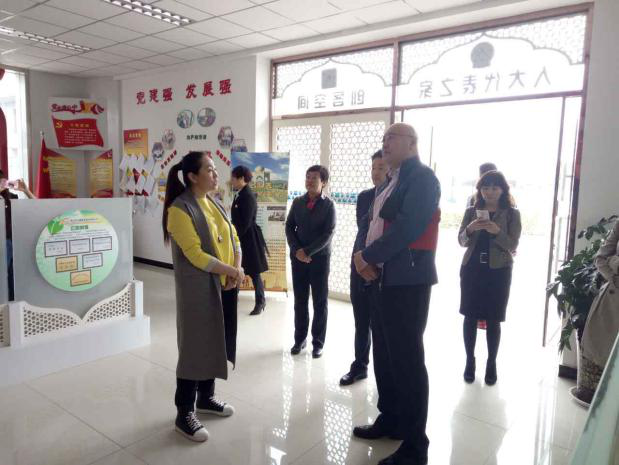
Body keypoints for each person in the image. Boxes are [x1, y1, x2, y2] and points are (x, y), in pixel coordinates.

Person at [352, 123, 441, 465]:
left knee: (407, 361)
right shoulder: (390, 180)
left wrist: (368, 256)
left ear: (412, 143)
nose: (385, 143)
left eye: (392, 138)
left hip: (407, 282)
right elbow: (372, 225)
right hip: (381, 279)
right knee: (385, 356)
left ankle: (416, 445)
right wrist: (363, 258)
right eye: (384, 138)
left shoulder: (422, 179)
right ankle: (391, 418)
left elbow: (408, 228)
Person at [162, 151, 244, 442]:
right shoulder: (179, 210)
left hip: (224, 285)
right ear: (192, 176)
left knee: (216, 340)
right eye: (209, 169)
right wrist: (231, 271)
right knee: (194, 348)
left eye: (215, 168)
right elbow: (195, 254)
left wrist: (236, 267)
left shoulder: (214, 202)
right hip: (197, 291)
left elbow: (234, 236)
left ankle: (206, 398)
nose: (215, 173)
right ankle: (184, 412)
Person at [458, 170, 521, 386]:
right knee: (469, 316)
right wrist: (469, 229)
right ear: (480, 190)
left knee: (494, 318)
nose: (490, 192)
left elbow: (512, 245)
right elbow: (461, 241)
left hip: (499, 272)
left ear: (502, 190)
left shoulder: (511, 214)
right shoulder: (471, 211)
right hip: (472, 269)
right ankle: (469, 361)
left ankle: (491, 363)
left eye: (494, 188)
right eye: (485, 188)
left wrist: (496, 231)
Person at [340, 150, 388, 386]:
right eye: (373, 168)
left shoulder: (396, 197)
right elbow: (364, 230)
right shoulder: (364, 197)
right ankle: (360, 365)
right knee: (361, 320)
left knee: (380, 325)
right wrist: (360, 261)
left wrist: (372, 260)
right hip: (359, 265)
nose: (376, 173)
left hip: (381, 269)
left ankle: (384, 373)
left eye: (381, 168)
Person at [285, 165, 336, 359]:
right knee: (300, 300)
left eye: (314, 178)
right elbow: (289, 227)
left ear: (324, 182)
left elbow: (328, 233)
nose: (310, 181)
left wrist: (307, 251)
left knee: (320, 302)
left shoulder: (329, 205)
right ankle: (300, 339)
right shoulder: (298, 202)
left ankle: (318, 343)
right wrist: (296, 250)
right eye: (307, 177)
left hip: (319, 260)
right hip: (298, 260)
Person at [580, 218, 619, 402]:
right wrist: (613, 276)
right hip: (611, 300)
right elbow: (600, 258)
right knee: (598, 353)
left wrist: (614, 261)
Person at [230, 165, 269, 315]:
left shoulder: (247, 195)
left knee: (254, 272)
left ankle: (260, 301)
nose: (232, 180)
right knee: (237, 269)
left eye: (234, 178)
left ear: (241, 178)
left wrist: (234, 237)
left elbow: (245, 223)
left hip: (249, 239)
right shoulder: (240, 193)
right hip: (241, 238)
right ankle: (233, 298)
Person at [1, 174, 36, 300]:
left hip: (13, 240)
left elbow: (39, 206)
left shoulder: (11, 197)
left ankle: (11, 303)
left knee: (13, 276)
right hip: (3, 242)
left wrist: (26, 191)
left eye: (3, 181)